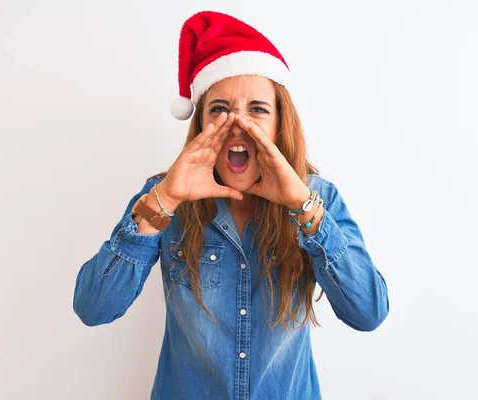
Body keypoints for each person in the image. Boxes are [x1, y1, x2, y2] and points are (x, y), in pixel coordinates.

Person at [73, 10, 389, 400]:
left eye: (258, 109)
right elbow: (93, 308)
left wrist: (303, 207)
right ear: (201, 123)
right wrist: (165, 200)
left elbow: (369, 313)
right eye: (220, 109)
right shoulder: (161, 196)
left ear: (278, 125)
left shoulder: (319, 197)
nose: (238, 124)